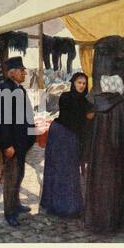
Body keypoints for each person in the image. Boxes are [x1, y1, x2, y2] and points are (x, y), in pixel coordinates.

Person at [84, 75, 124, 232]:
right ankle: (115, 222)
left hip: (100, 156)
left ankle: (99, 221)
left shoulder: (98, 105)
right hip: (117, 156)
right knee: (116, 187)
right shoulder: (121, 106)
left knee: (101, 186)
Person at [40, 72, 93, 218]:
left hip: (71, 136)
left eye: (84, 83)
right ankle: (59, 206)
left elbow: (88, 112)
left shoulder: (84, 101)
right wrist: (87, 116)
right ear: (73, 83)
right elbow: (72, 117)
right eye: (79, 83)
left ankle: (69, 206)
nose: (82, 86)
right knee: (59, 170)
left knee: (69, 171)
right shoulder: (66, 97)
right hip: (61, 135)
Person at [0, 56, 36, 227]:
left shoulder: (19, 88)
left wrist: (30, 137)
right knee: (11, 177)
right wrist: (7, 145)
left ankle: (16, 204)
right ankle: (9, 212)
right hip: (11, 143)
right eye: (21, 70)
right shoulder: (3, 89)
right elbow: (1, 121)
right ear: (12, 73)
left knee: (20, 175)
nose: (25, 73)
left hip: (21, 142)